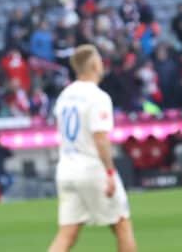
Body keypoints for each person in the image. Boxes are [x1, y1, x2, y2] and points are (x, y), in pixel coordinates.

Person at [48, 45, 137, 252]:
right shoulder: (98, 97)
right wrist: (110, 172)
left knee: (67, 234)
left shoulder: (65, 95)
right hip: (92, 169)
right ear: (96, 65)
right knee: (122, 224)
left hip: (67, 170)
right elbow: (100, 139)